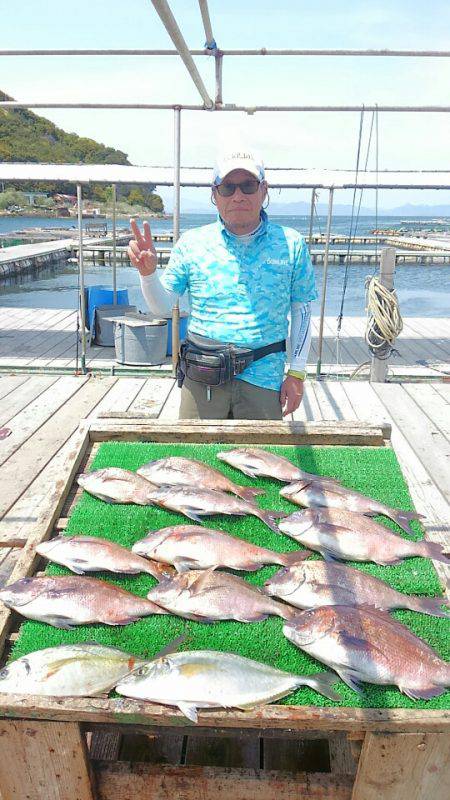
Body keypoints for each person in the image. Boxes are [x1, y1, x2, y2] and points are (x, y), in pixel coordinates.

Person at [127, 149, 317, 420]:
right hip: (202, 377)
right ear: (214, 195)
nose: (238, 195)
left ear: (264, 190)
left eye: (248, 186)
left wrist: (297, 373)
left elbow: (302, 310)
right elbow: (163, 307)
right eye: (228, 187)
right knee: (193, 459)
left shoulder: (291, 243)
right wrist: (148, 275)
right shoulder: (192, 243)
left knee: (259, 460)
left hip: (264, 379)